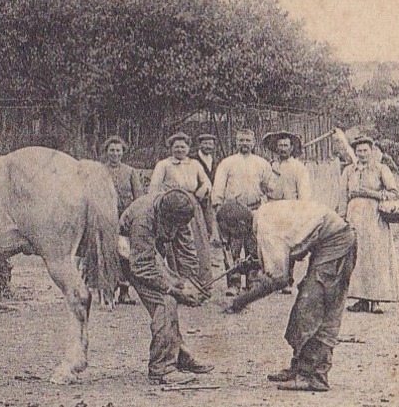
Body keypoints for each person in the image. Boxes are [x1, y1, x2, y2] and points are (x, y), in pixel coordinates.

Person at [218, 198, 359, 392]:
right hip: (327, 241)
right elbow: (291, 247)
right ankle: (300, 368)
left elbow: (279, 279)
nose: (234, 239)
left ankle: (315, 376)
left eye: (232, 233)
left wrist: (240, 301)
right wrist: (253, 263)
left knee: (313, 306)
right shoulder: (262, 215)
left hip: (337, 242)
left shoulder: (267, 231)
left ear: (241, 224)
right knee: (305, 305)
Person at [118, 189, 213, 385]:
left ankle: (179, 355)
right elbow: (142, 265)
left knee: (173, 297)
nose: (178, 228)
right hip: (131, 255)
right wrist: (172, 289)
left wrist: (189, 283)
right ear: (164, 216)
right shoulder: (143, 219)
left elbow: (186, 250)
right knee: (165, 302)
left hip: (151, 251)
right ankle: (161, 368)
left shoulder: (179, 213)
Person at [341, 132, 399, 314]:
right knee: (358, 257)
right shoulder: (348, 171)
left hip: (374, 219)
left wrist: (370, 193)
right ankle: (361, 299)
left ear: (372, 151)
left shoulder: (380, 169)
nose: (362, 154)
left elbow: (393, 193)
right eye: (359, 151)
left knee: (375, 256)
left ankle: (376, 300)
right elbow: (342, 196)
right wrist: (341, 217)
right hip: (354, 218)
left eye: (365, 151)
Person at [213, 128, 275, 291]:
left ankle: (253, 280)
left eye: (248, 141)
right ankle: (233, 283)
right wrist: (218, 207)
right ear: (236, 142)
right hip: (233, 212)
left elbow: (271, 188)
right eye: (241, 140)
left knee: (253, 247)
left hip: (255, 210)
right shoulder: (227, 163)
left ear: (253, 143)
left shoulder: (262, 163)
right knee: (233, 248)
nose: (244, 144)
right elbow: (218, 187)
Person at [148, 132, 214, 286]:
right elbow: (154, 187)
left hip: (191, 206)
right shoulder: (163, 165)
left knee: (196, 242)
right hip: (171, 207)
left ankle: (200, 281)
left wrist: (200, 191)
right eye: (176, 147)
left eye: (183, 147)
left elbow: (206, 183)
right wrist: (161, 203)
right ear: (171, 148)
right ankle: (176, 280)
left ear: (188, 148)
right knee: (173, 244)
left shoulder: (194, 164)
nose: (179, 150)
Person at [100, 137, 143, 304]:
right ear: (107, 152)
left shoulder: (131, 171)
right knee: (106, 253)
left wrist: (134, 216)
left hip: (125, 217)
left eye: (118, 150)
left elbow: (138, 196)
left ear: (123, 152)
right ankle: (108, 291)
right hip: (105, 216)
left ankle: (124, 292)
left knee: (125, 253)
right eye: (112, 150)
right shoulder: (100, 171)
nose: (115, 154)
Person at [263, 130, 312, 201]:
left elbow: (304, 195)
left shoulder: (299, 168)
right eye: (280, 145)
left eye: (285, 145)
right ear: (277, 147)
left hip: (291, 207)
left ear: (291, 148)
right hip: (273, 207)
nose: (283, 149)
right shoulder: (270, 166)